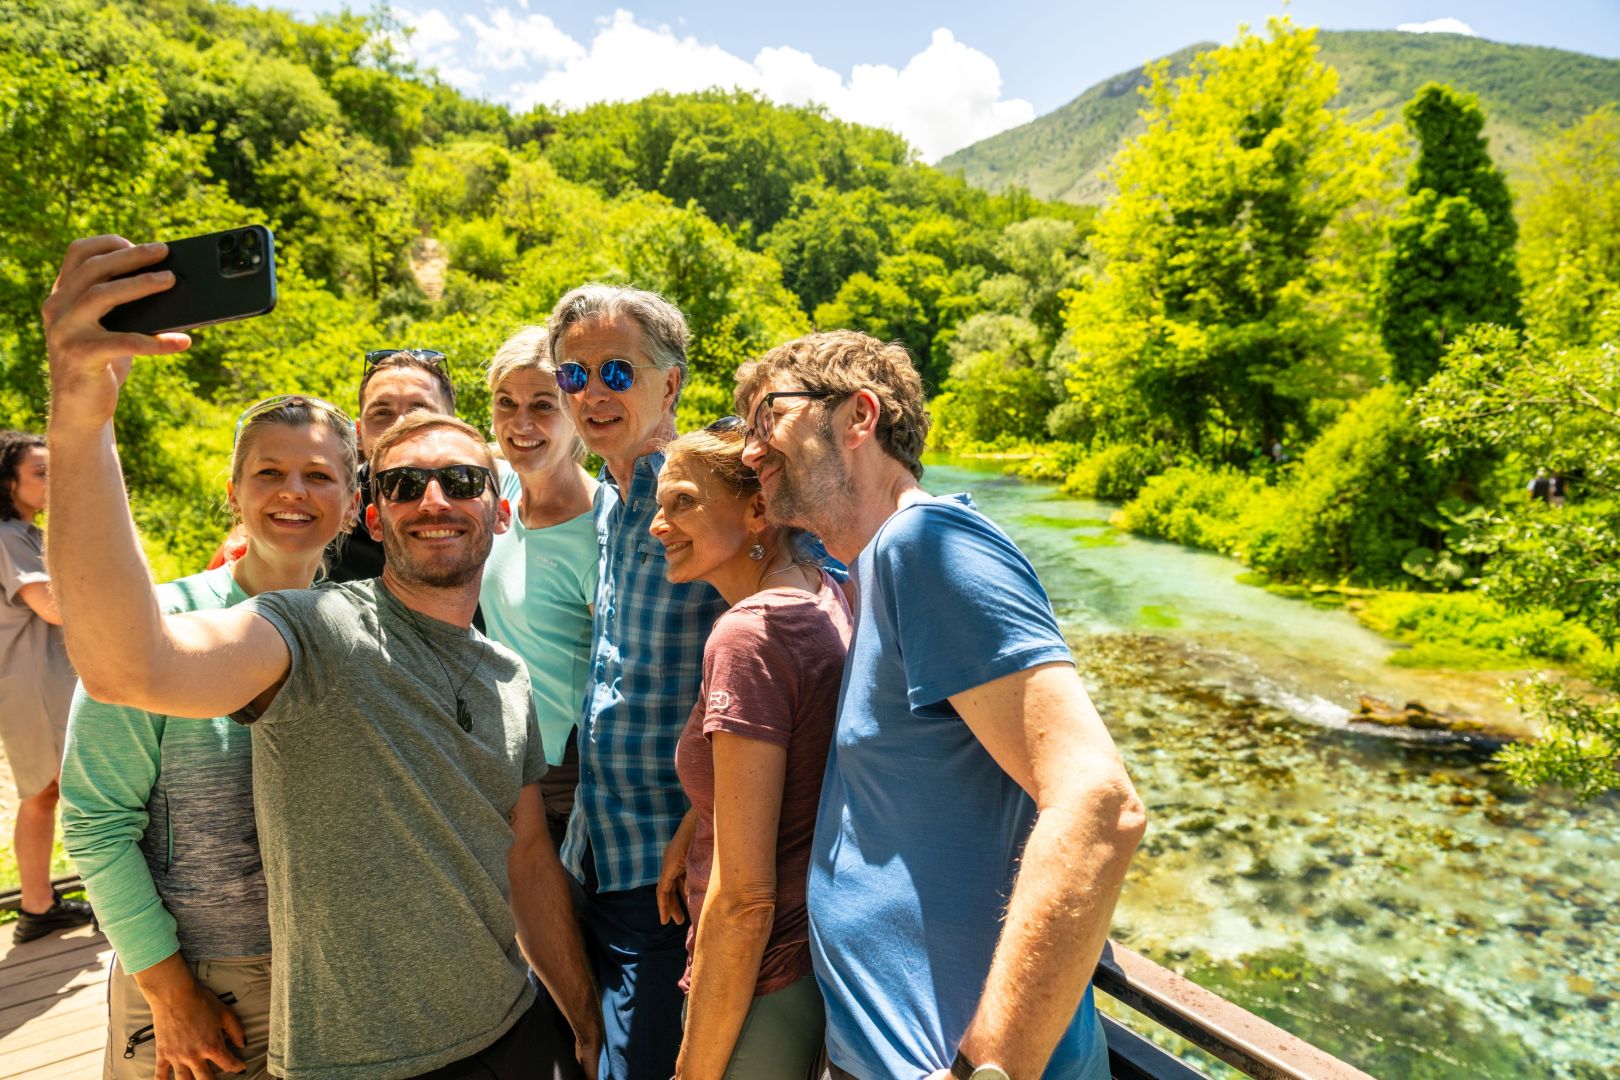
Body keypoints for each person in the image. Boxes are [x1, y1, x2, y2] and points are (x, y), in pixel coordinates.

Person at [43, 235, 602, 1080]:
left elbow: (527, 856)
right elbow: (132, 668)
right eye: (405, 486)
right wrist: (82, 413)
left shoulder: (505, 672)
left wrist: (585, 1020)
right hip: (330, 1044)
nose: (435, 501)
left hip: (513, 1029)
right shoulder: (308, 628)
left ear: (501, 510)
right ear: (372, 520)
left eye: (461, 481)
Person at [734, 330, 1147, 1080]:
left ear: (858, 417)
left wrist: (988, 1067)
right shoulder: (866, 570)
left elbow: (1098, 804)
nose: (750, 450)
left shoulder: (926, 542)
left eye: (769, 418)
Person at [60, 395, 360, 1080]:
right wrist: (168, 994)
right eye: (268, 473)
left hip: (333, 978)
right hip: (198, 980)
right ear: (234, 493)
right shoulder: (159, 630)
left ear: (351, 502)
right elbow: (97, 823)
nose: (293, 491)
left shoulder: (358, 631)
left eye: (319, 475)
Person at [547, 284, 730, 1079]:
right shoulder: (611, 503)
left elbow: (797, 650)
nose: (591, 393)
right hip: (596, 851)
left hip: (671, 873)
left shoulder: (709, 499)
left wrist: (716, 815)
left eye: (616, 372)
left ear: (672, 384)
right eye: (573, 375)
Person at [649, 422, 851, 1079]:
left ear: (758, 508)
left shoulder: (748, 637)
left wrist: (694, 1070)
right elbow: (794, 761)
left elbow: (744, 903)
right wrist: (699, 823)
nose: (658, 525)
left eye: (682, 502)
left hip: (760, 982)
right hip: (809, 964)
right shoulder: (823, 589)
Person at [479, 324, 598, 847]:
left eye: (544, 405)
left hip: (563, 771)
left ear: (577, 414)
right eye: (506, 402)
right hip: (500, 747)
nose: (520, 424)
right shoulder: (499, 483)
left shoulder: (599, 528)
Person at [0, 429, 94, 943]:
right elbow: (51, 606)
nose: (51, 481)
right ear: (7, 481)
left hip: (42, 679)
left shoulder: (28, 533)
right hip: (30, 684)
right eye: (40, 472)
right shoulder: (8, 535)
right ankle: (44, 906)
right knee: (53, 789)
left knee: (47, 790)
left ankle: (38, 905)